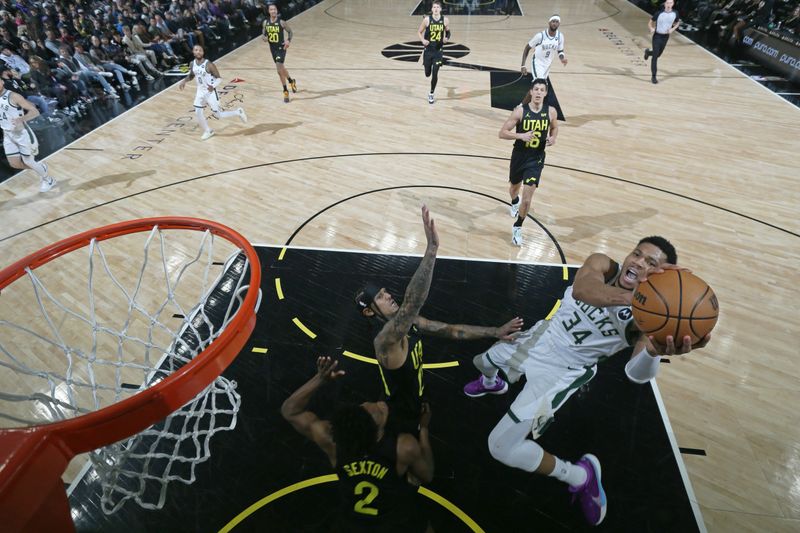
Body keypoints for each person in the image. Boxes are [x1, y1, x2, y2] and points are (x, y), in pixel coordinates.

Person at [463, 237, 711, 526]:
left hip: (562, 371)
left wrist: (653, 353)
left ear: (660, 276)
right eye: (637, 254)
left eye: (650, 264)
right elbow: (582, 290)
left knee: (500, 447)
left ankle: (580, 476)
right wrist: (638, 298)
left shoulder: (645, 320)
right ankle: (493, 383)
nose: (638, 263)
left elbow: (636, 374)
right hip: (540, 338)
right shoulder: (604, 265)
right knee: (482, 362)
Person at [355, 205, 524, 436]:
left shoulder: (408, 323)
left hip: (415, 401)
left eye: (386, 291)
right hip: (399, 415)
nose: (388, 296)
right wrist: (432, 249)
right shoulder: (384, 340)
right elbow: (412, 302)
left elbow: (452, 331)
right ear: (368, 312)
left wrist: (495, 331)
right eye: (380, 297)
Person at [281, 356, 434, 532]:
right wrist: (423, 428)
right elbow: (427, 475)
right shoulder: (404, 446)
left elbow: (289, 411)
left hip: (354, 522)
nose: (381, 403)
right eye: (380, 412)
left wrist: (320, 379)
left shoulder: (332, 442)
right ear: (377, 432)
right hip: (394, 519)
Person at [499, 79, 558, 247]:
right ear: (531, 92)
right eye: (536, 89)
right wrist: (521, 136)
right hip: (519, 155)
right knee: (514, 189)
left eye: (542, 90)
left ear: (545, 93)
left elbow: (555, 128)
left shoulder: (551, 112)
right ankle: (514, 201)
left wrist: (553, 137)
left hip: (536, 158)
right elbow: (502, 133)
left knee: (527, 200)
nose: (539, 92)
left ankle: (518, 226)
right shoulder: (520, 111)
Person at [178, 44, 247, 141]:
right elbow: (192, 75)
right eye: (196, 50)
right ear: (193, 52)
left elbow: (219, 78)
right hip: (200, 92)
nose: (198, 52)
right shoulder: (192, 64)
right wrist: (184, 81)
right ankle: (208, 131)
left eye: (200, 50)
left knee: (218, 115)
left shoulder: (209, 64)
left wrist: (213, 86)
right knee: (198, 112)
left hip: (211, 92)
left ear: (203, 52)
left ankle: (238, 112)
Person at [0, 75, 56, 191]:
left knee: (28, 160)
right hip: (7, 134)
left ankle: (48, 179)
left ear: (2, 82)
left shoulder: (13, 96)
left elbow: (35, 111)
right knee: (14, 164)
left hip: (22, 133)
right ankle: (40, 167)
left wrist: (21, 119)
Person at [521, 14, 567, 120]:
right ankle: (523, 108)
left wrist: (562, 58)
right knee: (539, 86)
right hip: (537, 63)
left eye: (557, 21)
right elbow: (527, 48)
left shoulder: (560, 36)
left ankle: (526, 107)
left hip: (547, 66)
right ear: (549, 23)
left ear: (559, 23)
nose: (555, 23)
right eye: (553, 21)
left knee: (539, 88)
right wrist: (523, 65)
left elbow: (560, 51)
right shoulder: (540, 36)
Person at [262, 3, 296, 103]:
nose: (273, 11)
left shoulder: (281, 22)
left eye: (275, 9)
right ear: (269, 11)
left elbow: (290, 32)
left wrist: (288, 40)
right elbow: (263, 35)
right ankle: (291, 81)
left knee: (278, 68)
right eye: (271, 10)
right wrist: (264, 38)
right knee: (281, 68)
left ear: (277, 11)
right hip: (272, 49)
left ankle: (285, 91)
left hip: (281, 48)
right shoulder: (265, 23)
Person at [417, 0, 450, 104]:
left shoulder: (445, 20)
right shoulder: (427, 20)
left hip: (438, 51)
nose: (436, 9)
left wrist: (447, 38)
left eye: (437, 7)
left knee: (435, 73)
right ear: (432, 9)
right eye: (434, 7)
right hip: (428, 51)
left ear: (440, 9)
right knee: (428, 74)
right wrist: (422, 40)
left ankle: (431, 93)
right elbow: (419, 32)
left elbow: (448, 32)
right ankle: (427, 68)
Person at [643, 0, 681, 84]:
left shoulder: (675, 13)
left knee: (659, 54)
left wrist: (672, 29)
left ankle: (648, 52)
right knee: (655, 57)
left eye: (670, 3)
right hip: (657, 36)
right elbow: (650, 22)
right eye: (667, 3)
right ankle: (653, 77)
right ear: (665, 4)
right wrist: (651, 28)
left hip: (665, 37)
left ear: (673, 4)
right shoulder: (659, 13)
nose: (669, 4)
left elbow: (677, 22)